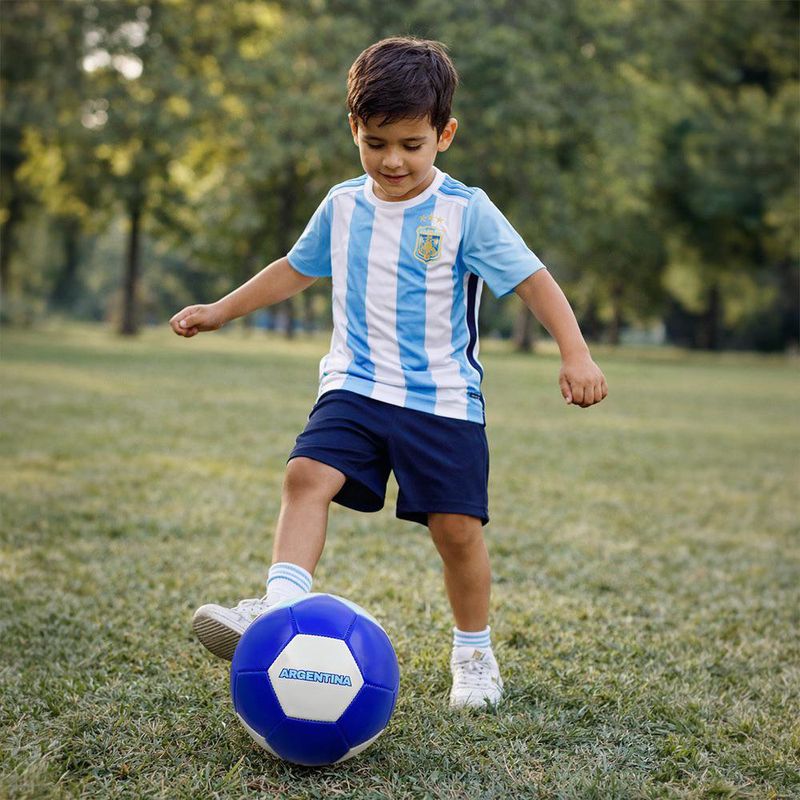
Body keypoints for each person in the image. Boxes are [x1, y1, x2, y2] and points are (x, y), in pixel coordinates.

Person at [170, 37, 608, 708]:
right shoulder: (343, 206)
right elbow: (293, 268)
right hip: (355, 384)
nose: (392, 160)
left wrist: (575, 352)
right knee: (304, 474)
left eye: (411, 144)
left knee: (456, 531)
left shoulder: (466, 212)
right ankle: (277, 609)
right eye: (376, 143)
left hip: (441, 400)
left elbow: (533, 280)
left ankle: (474, 655)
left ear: (444, 135)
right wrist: (221, 311)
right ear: (354, 131)